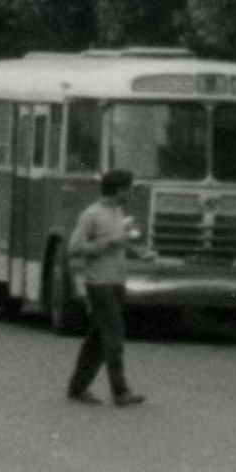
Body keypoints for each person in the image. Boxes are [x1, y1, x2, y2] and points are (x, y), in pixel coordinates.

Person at [64, 167, 147, 408]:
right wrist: (106, 244)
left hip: (117, 281)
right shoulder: (92, 214)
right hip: (99, 283)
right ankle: (120, 391)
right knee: (114, 335)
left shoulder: (118, 212)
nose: (130, 192)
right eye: (128, 188)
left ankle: (77, 387)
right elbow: (75, 248)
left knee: (98, 338)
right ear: (118, 189)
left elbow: (119, 243)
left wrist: (138, 252)